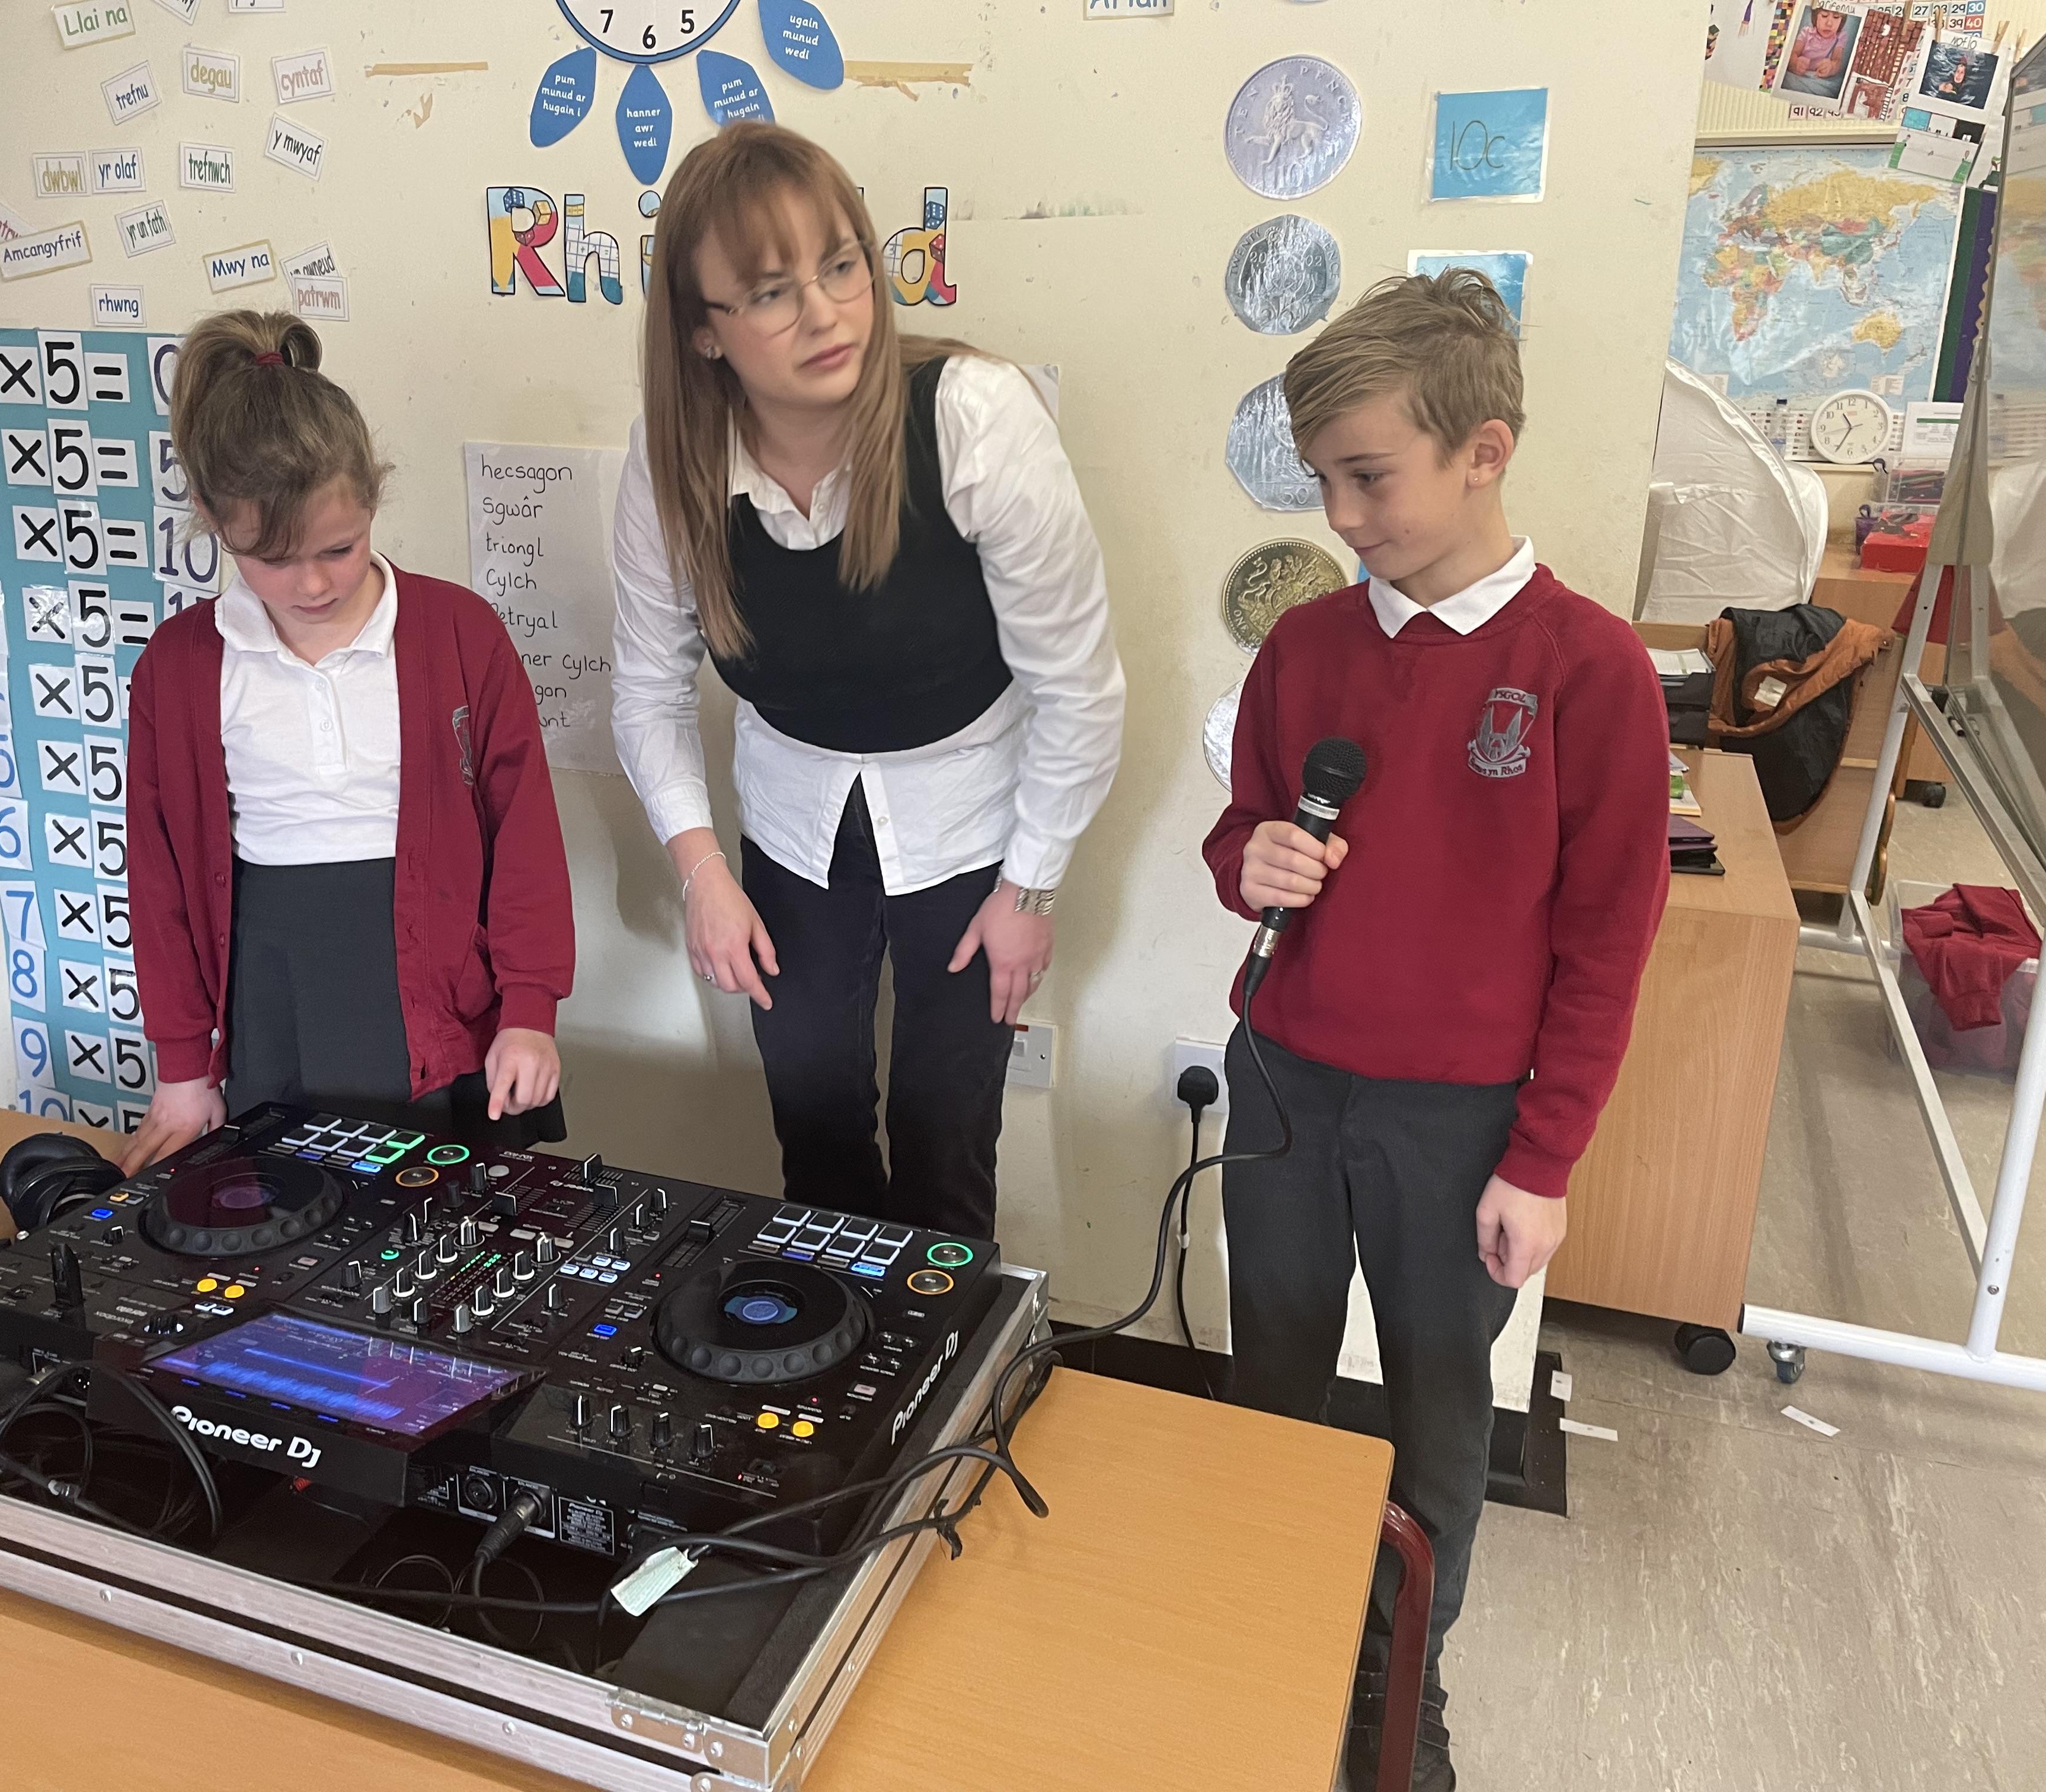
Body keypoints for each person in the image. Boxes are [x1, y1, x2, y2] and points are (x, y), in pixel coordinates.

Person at [1200, 272, 1669, 1792]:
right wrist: (1252, 861)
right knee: (1271, 1370)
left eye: (1369, 478)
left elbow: (1607, 942)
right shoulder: (1306, 647)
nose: (1343, 517)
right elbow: (1243, 828)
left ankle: (1399, 1679)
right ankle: (1264, 1633)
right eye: (1322, 482)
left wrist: (1545, 1159)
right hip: (1286, 1078)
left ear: (1484, 453)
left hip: (1459, 1120)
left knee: (1438, 1412)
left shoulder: (1588, 669)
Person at [610, 123, 1124, 1241]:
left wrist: (1032, 891)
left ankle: (946, 1357)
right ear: (702, 331)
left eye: (842, 265)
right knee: (817, 1133)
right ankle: (835, 1350)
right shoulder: (669, 465)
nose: (827, 313)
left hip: (973, 821)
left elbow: (1080, 689)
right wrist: (702, 874)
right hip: (794, 823)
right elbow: (648, 690)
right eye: (770, 292)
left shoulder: (977, 417)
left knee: (948, 1147)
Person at [119, 311, 573, 1176]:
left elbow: (524, 834)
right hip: (278, 1002)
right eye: (272, 558)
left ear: (373, 495)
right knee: (294, 1219)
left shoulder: (460, 633)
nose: (315, 583)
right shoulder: (177, 671)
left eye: (340, 547)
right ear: (214, 520)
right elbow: (162, 880)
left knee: (455, 1227)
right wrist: (181, 1067)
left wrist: (529, 1009)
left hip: (445, 1004)